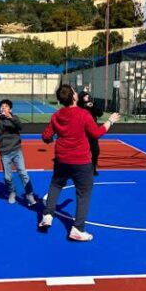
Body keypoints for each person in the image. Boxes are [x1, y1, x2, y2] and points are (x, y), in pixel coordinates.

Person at [39, 84, 120, 241]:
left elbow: (46, 136)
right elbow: (96, 133)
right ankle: (78, 228)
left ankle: (47, 215)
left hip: (62, 159)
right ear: (74, 97)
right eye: (75, 91)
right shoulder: (83, 114)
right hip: (81, 161)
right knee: (83, 193)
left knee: (56, 185)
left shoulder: (56, 116)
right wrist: (110, 121)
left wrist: (50, 139)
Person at [0, 99, 36, 205]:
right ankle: (12, 192)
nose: (3, 108)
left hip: (16, 150)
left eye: (6, 106)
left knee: (23, 173)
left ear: (10, 109)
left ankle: (29, 194)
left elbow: (20, 127)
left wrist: (11, 117)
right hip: (4, 152)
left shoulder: (14, 118)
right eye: (1, 106)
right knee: (7, 177)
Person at [77, 89, 104, 176]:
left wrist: (94, 107)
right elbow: (79, 105)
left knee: (95, 151)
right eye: (85, 96)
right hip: (82, 133)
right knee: (82, 152)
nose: (87, 97)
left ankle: (93, 169)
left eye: (88, 96)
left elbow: (100, 113)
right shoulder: (79, 106)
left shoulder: (92, 105)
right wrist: (85, 105)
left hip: (92, 132)